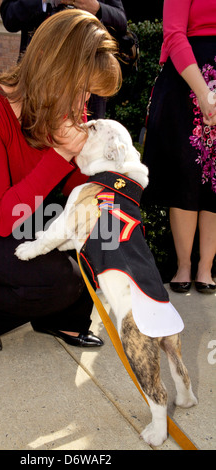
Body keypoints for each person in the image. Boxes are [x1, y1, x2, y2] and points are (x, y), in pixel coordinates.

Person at [0, 10, 122, 351]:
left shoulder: (64, 109)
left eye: (88, 93)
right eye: (79, 89)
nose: (83, 103)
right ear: (48, 65)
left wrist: (104, 174)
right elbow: (0, 219)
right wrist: (59, 154)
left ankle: (62, 318)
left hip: (24, 214)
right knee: (57, 279)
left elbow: (75, 189)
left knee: (101, 226)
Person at [142, 0, 216, 294]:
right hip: (187, 79)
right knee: (184, 173)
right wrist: (203, 92)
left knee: (215, 179)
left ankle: (206, 267)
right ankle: (183, 265)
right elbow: (173, 34)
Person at [0, 0, 127, 119]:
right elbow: (9, 16)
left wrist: (97, 8)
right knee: (30, 129)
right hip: (39, 73)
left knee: (87, 133)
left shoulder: (87, 92)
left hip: (89, 75)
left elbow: (121, 21)